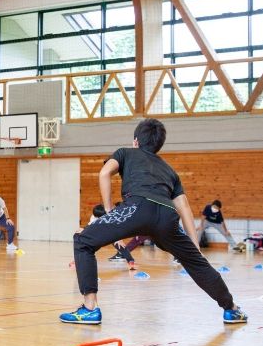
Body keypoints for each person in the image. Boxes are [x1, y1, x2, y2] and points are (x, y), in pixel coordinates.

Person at [60, 118, 247, 326]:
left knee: (83, 240)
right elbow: (184, 206)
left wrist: (110, 210)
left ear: (135, 141)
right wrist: (195, 246)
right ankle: (232, 310)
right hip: (167, 215)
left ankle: (90, 309)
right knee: (196, 263)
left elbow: (104, 173)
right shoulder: (169, 170)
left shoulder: (124, 153)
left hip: (136, 207)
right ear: (158, 145)